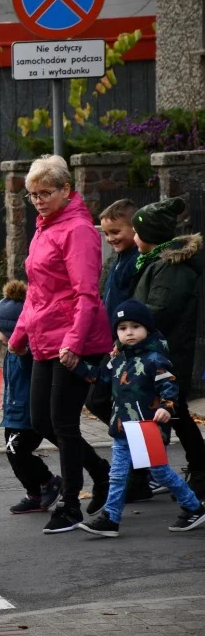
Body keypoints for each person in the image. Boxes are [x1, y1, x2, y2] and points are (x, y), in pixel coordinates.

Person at [8, 154, 112, 535]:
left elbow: (86, 293)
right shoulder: (44, 227)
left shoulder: (79, 230)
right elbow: (37, 292)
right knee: (40, 420)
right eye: (32, 194)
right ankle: (100, 469)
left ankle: (70, 504)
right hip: (44, 338)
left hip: (76, 339)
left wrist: (74, 342)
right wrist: (19, 335)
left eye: (45, 193)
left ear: (66, 190)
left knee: (64, 422)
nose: (37, 200)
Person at [68, 300, 205, 537]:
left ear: (147, 329)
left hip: (147, 428)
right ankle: (110, 519)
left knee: (160, 473)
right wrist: (77, 365)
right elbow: (100, 378)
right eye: (122, 328)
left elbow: (170, 386)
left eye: (135, 326)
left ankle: (194, 507)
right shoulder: (118, 359)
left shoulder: (155, 359)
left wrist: (166, 408)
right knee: (118, 474)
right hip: (122, 428)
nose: (129, 332)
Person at [128, 197, 205, 498]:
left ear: (150, 236)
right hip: (158, 352)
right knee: (168, 412)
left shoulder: (171, 269)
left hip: (167, 354)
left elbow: (158, 310)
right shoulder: (156, 263)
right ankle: (147, 476)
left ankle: (198, 471)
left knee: (174, 412)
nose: (133, 237)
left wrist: (128, 327)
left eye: (136, 232)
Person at [87, 199, 158, 501]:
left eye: (116, 231)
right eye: (106, 233)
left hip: (127, 347)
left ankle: (145, 471)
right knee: (113, 406)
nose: (111, 238)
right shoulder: (119, 258)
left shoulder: (135, 261)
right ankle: (146, 467)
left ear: (134, 229)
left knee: (117, 406)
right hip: (114, 344)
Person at [0, 282, 62, 514]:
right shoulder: (12, 350)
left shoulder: (25, 352)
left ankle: (46, 483)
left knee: (17, 452)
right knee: (15, 453)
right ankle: (35, 491)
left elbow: (28, 368)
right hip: (15, 411)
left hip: (27, 413)